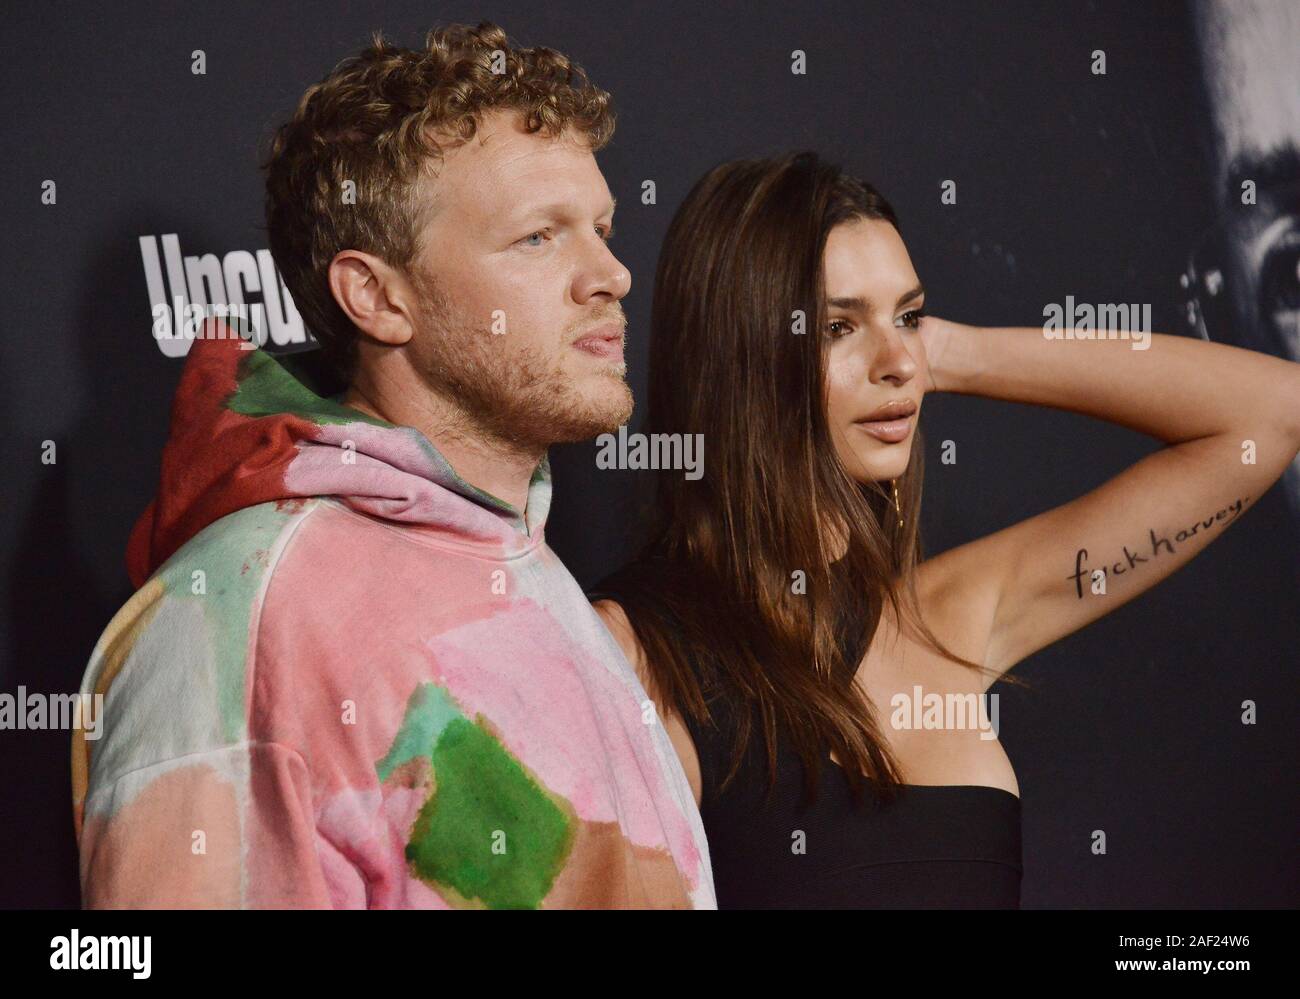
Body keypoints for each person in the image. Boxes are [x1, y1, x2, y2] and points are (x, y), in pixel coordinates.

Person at [71, 22, 714, 910]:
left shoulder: (528, 566)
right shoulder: (241, 618)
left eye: (601, 229)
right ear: (376, 295)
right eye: (539, 238)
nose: (609, 274)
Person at [589, 151, 1300, 908]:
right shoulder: (636, 656)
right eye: (838, 325)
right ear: (740, 354)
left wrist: (954, 353)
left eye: (908, 314)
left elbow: (1270, 414)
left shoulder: (952, 615)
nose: (896, 361)